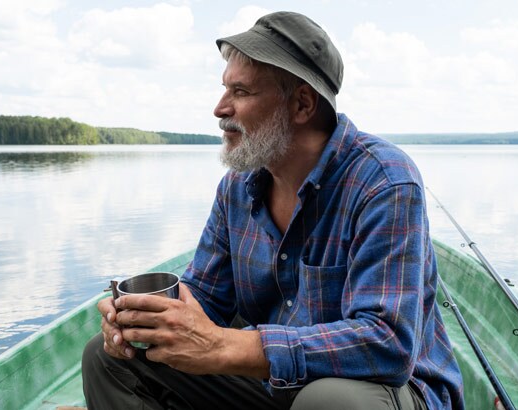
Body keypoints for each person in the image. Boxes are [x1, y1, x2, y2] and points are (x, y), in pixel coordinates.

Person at [82, 11, 464, 410]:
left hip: (387, 392)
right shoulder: (237, 186)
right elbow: (207, 296)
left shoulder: (384, 182)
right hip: (274, 387)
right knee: (106, 358)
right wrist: (141, 318)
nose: (219, 108)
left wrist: (226, 346)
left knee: (329, 400)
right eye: (224, 89)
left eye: (241, 92)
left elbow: (386, 344)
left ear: (301, 104)